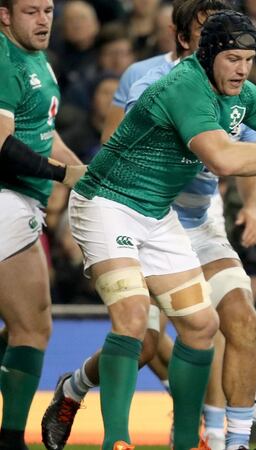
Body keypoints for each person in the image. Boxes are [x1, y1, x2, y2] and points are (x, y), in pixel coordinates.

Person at [61, 10, 256, 450]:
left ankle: (196, 439)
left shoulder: (239, 92)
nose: (243, 68)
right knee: (137, 324)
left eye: (249, 59)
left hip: (163, 214)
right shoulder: (177, 85)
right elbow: (226, 159)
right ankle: (114, 437)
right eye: (232, 57)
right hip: (109, 202)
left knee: (201, 324)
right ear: (201, 48)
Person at [0, 0, 83, 445]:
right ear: (5, 15)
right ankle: (12, 438)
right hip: (5, 198)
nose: (44, 20)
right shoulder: (3, 58)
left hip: (21, 201)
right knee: (31, 327)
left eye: (48, 10)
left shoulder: (36, 59)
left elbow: (42, 132)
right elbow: (2, 144)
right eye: (31, 11)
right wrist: (59, 174)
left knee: (28, 326)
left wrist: (85, 173)